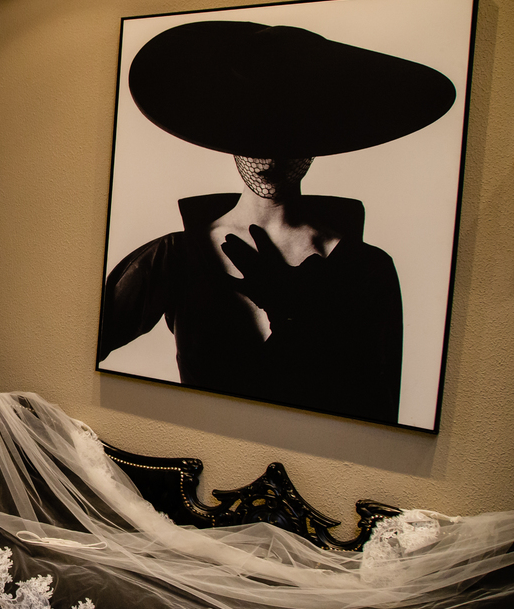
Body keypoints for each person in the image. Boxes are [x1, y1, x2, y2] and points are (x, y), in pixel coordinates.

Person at [98, 21, 456, 424]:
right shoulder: (175, 256)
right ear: (229, 132)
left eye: (291, 133)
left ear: (321, 139)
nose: (271, 155)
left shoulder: (366, 270)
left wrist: (299, 319)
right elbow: (75, 347)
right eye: (255, 131)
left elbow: (380, 417)